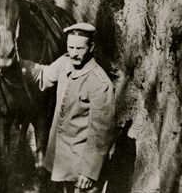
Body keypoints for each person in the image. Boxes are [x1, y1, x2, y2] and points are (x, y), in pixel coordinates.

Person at [20, 22, 117, 193]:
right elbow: (43, 74)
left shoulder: (100, 83)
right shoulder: (65, 63)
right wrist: (17, 64)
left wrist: (89, 172)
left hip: (82, 168)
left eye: (79, 48)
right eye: (70, 47)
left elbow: (101, 133)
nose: (73, 53)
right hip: (62, 162)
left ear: (91, 47)